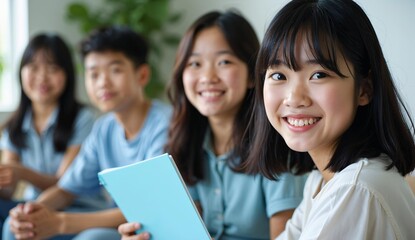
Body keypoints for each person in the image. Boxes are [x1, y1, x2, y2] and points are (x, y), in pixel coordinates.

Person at [118, 10, 307, 240]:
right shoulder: (187, 145)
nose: (207, 76)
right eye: (195, 63)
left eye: (224, 62)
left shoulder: (277, 148)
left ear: (252, 75)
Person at [245, 0, 415, 239]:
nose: (294, 98)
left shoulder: (354, 189)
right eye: (278, 75)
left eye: (318, 74)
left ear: (364, 89)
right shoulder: (322, 180)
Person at [6, 26, 172, 240]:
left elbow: (150, 210)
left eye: (115, 70)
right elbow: (66, 189)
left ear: (142, 75)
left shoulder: (165, 125)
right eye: (94, 74)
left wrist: (60, 223)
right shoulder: (104, 128)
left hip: (150, 230)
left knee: (92, 238)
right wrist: (30, 211)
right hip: (124, 228)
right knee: (14, 227)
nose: (103, 82)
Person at [0, 33, 96, 236]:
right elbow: (8, 191)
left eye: (52, 68)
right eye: (33, 67)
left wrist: (22, 172)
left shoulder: (83, 119)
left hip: (78, 210)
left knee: (15, 225)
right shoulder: (14, 125)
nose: (42, 77)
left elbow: (66, 185)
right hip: (35, 206)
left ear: (67, 74)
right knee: (12, 221)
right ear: (21, 73)